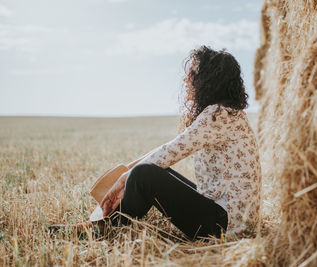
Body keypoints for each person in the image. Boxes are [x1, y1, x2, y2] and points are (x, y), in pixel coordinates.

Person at [100, 45, 262, 240]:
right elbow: (167, 152)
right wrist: (128, 173)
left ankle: (109, 229)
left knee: (144, 175)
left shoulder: (218, 115)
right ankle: (113, 222)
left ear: (210, 80)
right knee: (156, 170)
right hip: (229, 219)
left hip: (224, 226)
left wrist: (125, 179)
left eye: (193, 74)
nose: (187, 79)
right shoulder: (227, 114)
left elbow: (172, 150)